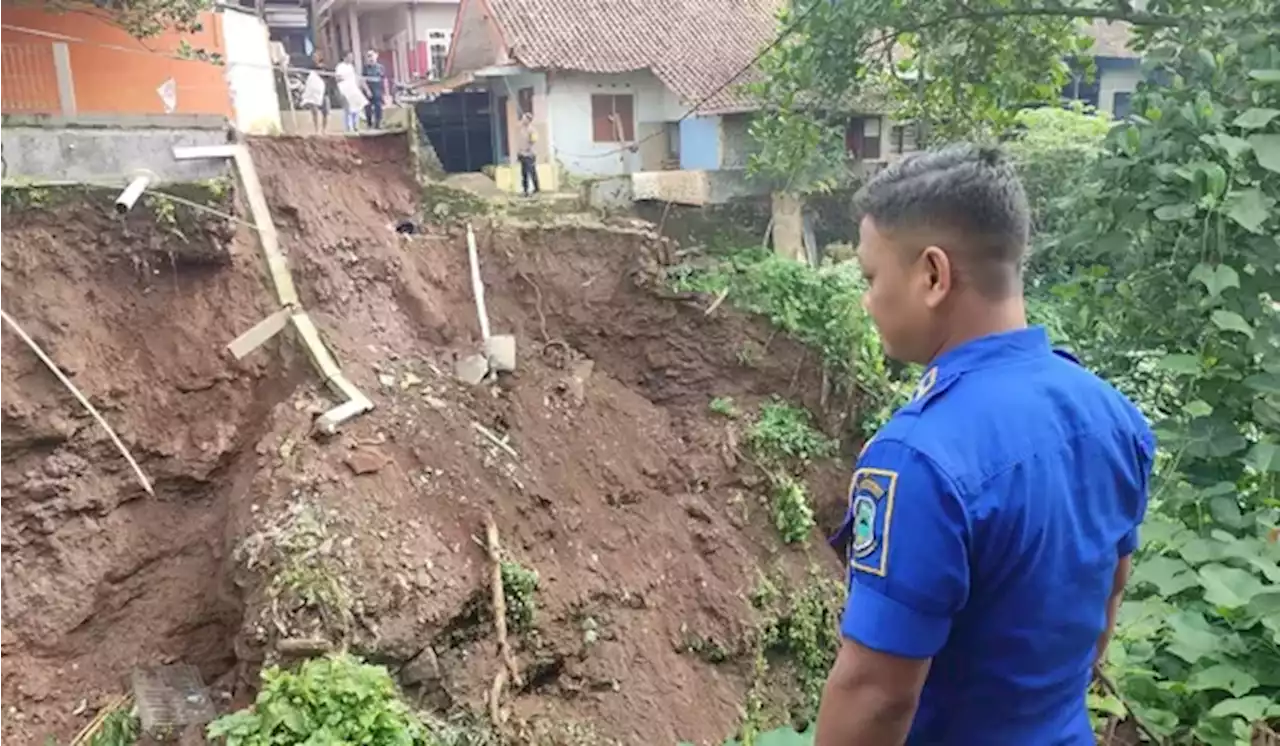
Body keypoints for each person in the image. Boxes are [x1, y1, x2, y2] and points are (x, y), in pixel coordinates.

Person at [815, 144, 1153, 746]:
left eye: (872, 276)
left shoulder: (918, 458)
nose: (867, 300)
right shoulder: (1111, 414)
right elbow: (1110, 591)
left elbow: (877, 692)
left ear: (932, 275)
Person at [334, 52, 367, 133]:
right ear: (345, 57)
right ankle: (348, 127)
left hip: (353, 90)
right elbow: (337, 79)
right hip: (345, 90)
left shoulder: (351, 67)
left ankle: (356, 125)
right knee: (348, 109)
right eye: (349, 57)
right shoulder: (340, 67)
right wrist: (345, 79)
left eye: (352, 57)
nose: (351, 58)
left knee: (356, 107)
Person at [299, 52, 330, 134]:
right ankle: (316, 129)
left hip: (324, 92)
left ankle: (324, 130)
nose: (314, 58)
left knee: (325, 112)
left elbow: (329, 78)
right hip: (313, 94)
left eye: (316, 56)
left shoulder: (325, 68)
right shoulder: (311, 68)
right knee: (314, 110)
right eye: (313, 57)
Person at [516, 112, 540, 196]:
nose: (522, 120)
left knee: (531, 172)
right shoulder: (522, 129)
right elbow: (520, 142)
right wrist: (519, 152)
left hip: (529, 154)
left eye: (524, 118)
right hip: (522, 154)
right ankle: (525, 190)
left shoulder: (532, 129)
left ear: (528, 120)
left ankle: (536, 188)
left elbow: (534, 140)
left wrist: (528, 147)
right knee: (524, 173)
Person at [362, 50, 386, 130]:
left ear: (376, 56)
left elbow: (384, 80)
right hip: (368, 89)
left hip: (378, 89)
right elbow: (363, 80)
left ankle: (378, 123)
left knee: (378, 107)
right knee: (368, 107)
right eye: (368, 56)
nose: (370, 58)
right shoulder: (365, 68)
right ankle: (369, 123)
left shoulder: (380, 67)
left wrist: (386, 92)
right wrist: (367, 90)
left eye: (372, 56)